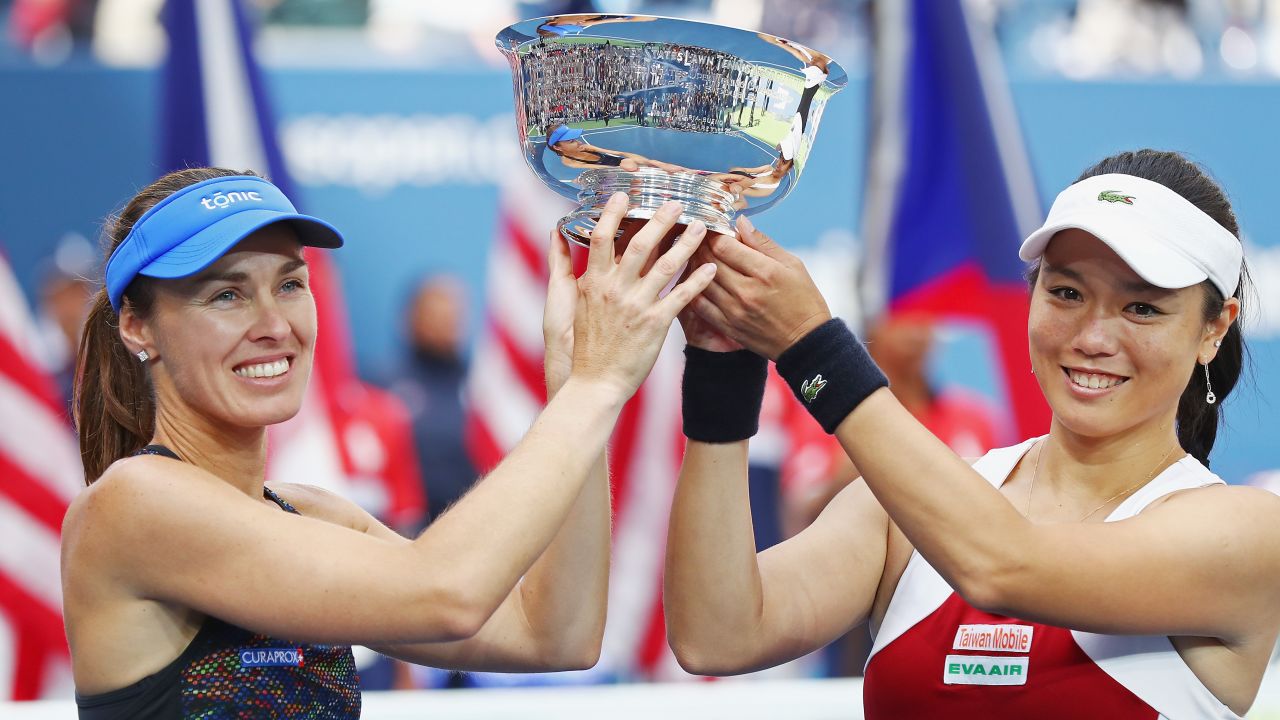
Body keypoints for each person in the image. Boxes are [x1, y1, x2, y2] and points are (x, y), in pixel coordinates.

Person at [62, 167, 715, 718]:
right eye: (226, 294)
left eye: (290, 284)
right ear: (138, 327)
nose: (273, 324)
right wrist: (593, 390)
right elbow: (447, 594)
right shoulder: (132, 504)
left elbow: (557, 636)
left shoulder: (314, 513)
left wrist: (575, 388)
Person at [664, 149, 1277, 717]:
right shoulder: (902, 512)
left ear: (1213, 330)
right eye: (1066, 292)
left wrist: (813, 348)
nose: (1092, 338)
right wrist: (722, 367)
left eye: (1142, 308)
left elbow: (1003, 568)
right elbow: (717, 636)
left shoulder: (1245, 535)